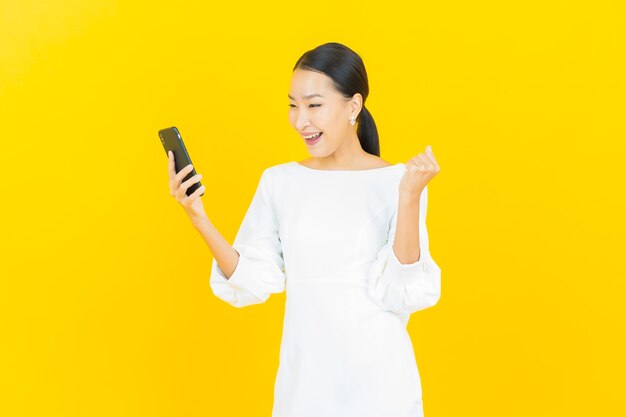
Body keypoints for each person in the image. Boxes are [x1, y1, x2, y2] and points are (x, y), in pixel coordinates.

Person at [166, 42, 441, 417]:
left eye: (314, 105)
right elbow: (252, 279)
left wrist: (409, 196)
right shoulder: (280, 181)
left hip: (380, 384)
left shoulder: (399, 181)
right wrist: (197, 215)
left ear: (353, 106)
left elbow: (402, 291)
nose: (300, 121)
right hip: (306, 385)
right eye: (293, 105)